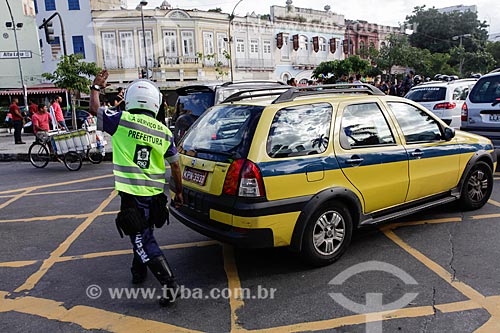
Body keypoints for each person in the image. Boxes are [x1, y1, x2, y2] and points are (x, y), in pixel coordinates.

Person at [89, 69, 184, 307]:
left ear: (131, 98)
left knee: (142, 240)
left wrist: (96, 87)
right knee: (141, 234)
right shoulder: (164, 132)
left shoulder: (121, 120)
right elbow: (176, 167)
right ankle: (138, 271)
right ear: (155, 103)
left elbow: (94, 109)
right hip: (155, 197)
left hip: (133, 196)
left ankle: (170, 283)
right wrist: (179, 192)